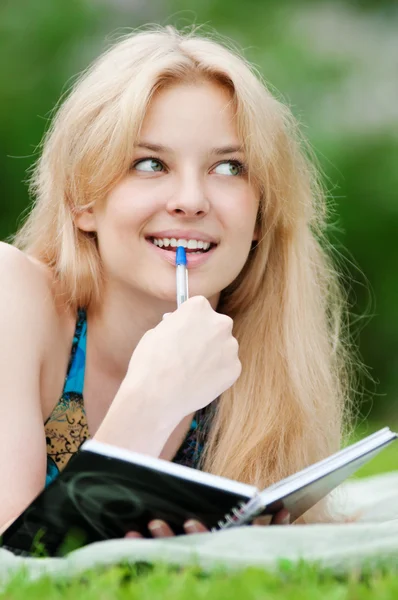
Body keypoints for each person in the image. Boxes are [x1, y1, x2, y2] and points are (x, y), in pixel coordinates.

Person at [0, 24, 355, 539]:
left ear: (260, 216)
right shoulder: (12, 296)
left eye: (229, 167)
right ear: (82, 200)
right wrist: (152, 398)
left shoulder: (266, 357)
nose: (191, 199)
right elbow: (15, 570)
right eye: (150, 163)